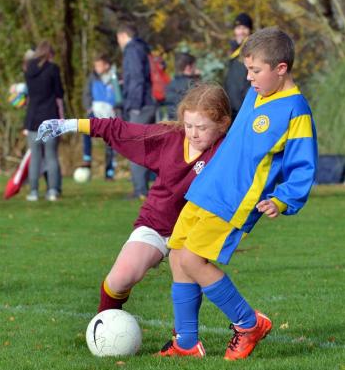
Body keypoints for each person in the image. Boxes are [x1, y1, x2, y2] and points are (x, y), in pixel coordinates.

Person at [156, 27, 318, 360]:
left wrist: (284, 198)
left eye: (255, 70)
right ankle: (186, 343)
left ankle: (248, 322)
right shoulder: (256, 95)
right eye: (248, 69)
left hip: (235, 200)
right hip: (207, 188)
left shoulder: (295, 109)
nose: (249, 77)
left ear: (281, 68)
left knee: (192, 259)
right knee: (177, 256)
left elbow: (303, 165)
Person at [35, 83, 232, 313]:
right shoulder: (169, 137)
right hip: (157, 223)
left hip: (192, 232)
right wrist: (69, 124)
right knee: (120, 278)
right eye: (188, 125)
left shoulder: (228, 150)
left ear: (223, 124)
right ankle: (105, 325)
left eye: (201, 127)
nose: (194, 133)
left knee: (187, 274)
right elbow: (120, 130)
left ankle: (185, 340)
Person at [116, 23, 156, 199]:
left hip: (139, 105)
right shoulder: (143, 48)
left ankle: (140, 189)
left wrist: (133, 105)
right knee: (148, 147)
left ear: (123, 35)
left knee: (136, 147)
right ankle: (145, 187)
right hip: (149, 102)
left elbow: (137, 79)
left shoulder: (131, 50)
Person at [24, 40, 64, 201]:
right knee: (50, 155)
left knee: (35, 157)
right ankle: (52, 190)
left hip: (32, 117)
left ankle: (33, 191)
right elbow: (59, 92)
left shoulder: (28, 70)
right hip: (49, 116)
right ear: (49, 54)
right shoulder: (53, 69)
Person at [82, 54, 120, 180]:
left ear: (107, 65)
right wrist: (89, 108)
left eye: (99, 65)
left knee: (110, 141)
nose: (96, 68)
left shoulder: (115, 78)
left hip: (110, 113)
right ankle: (87, 158)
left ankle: (109, 172)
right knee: (85, 128)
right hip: (95, 110)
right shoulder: (92, 78)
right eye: (95, 65)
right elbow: (86, 94)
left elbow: (119, 97)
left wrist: (117, 111)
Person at [224, 12, 253, 122]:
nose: (241, 32)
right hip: (233, 110)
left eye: (244, 28)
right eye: (238, 28)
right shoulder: (234, 52)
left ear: (250, 30)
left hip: (244, 110)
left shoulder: (251, 50)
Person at [166, 52, 200, 120]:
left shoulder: (171, 84)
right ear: (188, 67)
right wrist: (197, 78)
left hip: (173, 121)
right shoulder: (192, 85)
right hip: (186, 124)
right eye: (194, 66)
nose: (196, 68)